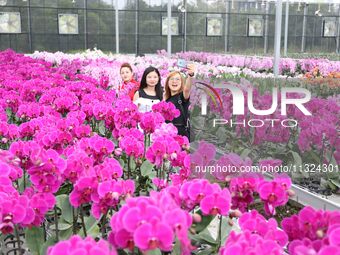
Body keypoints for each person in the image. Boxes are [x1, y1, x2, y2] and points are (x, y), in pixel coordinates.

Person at [164, 64, 195, 141]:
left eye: (178, 79)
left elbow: (187, 89)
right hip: (167, 135)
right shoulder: (166, 100)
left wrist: (190, 75)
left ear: (182, 83)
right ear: (167, 82)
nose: (174, 81)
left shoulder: (182, 97)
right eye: (172, 79)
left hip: (180, 135)